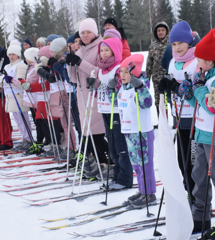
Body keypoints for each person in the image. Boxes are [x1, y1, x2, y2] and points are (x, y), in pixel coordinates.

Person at [158, 21, 199, 209]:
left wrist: (176, 86)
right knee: (183, 164)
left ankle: (198, 202)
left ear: (189, 41)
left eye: (180, 43)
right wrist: (166, 84)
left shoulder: (197, 60)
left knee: (193, 164)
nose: (177, 47)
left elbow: (196, 89)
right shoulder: (173, 61)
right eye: (173, 44)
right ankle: (190, 197)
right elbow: (172, 82)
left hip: (195, 120)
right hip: (179, 118)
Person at [107, 54, 156, 208]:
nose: (122, 75)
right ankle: (142, 191)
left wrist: (140, 87)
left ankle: (149, 194)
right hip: (128, 131)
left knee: (144, 164)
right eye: (120, 71)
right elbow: (114, 102)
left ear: (134, 72)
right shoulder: (123, 87)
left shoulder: (141, 85)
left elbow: (147, 103)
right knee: (136, 164)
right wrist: (110, 89)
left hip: (141, 132)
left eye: (126, 72)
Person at [179, 29, 215, 235]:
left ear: (210, 61)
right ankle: (200, 218)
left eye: (200, 59)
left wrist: (199, 89)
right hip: (201, 133)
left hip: (213, 137)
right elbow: (199, 104)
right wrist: (190, 93)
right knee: (198, 176)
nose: (197, 63)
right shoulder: (204, 76)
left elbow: (211, 105)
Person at [86, 37, 133, 187]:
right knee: (112, 147)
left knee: (120, 146)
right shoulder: (101, 69)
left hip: (117, 112)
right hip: (105, 110)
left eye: (107, 50)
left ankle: (125, 178)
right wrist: (94, 86)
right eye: (101, 51)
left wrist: (105, 86)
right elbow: (99, 91)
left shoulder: (118, 69)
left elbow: (121, 92)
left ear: (115, 51)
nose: (104, 54)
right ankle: (117, 176)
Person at [66, 18, 109, 176]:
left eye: (88, 32)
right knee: (89, 134)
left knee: (97, 133)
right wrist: (70, 64)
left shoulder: (101, 47)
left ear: (95, 33)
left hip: (96, 95)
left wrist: (79, 62)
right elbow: (74, 79)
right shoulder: (80, 50)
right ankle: (100, 162)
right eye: (82, 32)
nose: (84, 35)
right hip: (82, 97)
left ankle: (108, 162)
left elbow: (99, 72)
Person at [21, 46, 62, 154]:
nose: (39, 59)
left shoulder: (47, 69)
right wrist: (29, 86)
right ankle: (52, 144)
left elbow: (47, 85)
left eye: (42, 56)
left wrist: (31, 86)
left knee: (50, 124)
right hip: (41, 100)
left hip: (49, 99)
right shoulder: (40, 68)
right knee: (42, 122)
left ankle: (56, 145)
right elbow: (40, 84)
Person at [3, 40, 32, 151]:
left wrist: (11, 80)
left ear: (18, 55)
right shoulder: (7, 66)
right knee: (18, 121)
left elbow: (21, 83)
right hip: (10, 98)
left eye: (13, 54)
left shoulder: (20, 65)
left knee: (23, 119)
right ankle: (25, 138)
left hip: (18, 96)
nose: (11, 56)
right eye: (9, 54)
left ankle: (29, 139)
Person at [146, 21, 170, 128]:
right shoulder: (152, 46)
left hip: (169, 78)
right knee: (158, 101)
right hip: (157, 79)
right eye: (158, 31)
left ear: (166, 31)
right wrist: (146, 79)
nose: (160, 32)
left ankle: (177, 122)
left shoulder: (171, 43)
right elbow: (149, 63)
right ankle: (162, 123)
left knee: (171, 100)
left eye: (162, 30)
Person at [0, 46, 13, 150]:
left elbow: (6, 72)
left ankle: (6, 140)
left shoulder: (3, 55)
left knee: (2, 117)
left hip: (2, 90)